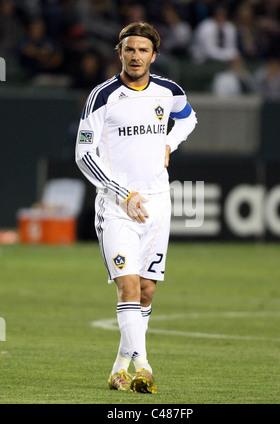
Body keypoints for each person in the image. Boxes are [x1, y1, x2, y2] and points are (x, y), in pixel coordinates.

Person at [75, 21, 197, 393]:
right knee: (128, 286)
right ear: (120, 53)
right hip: (116, 207)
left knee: (146, 291)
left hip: (157, 204)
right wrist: (122, 193)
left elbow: (189, 119)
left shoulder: (168, 91)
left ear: (154, 55)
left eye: (143, 50)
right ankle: (143, 366)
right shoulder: (103, 96)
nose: (135, 56)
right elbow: (83, 155)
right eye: (129, 49)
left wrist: (170, 144)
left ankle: (118, 370)